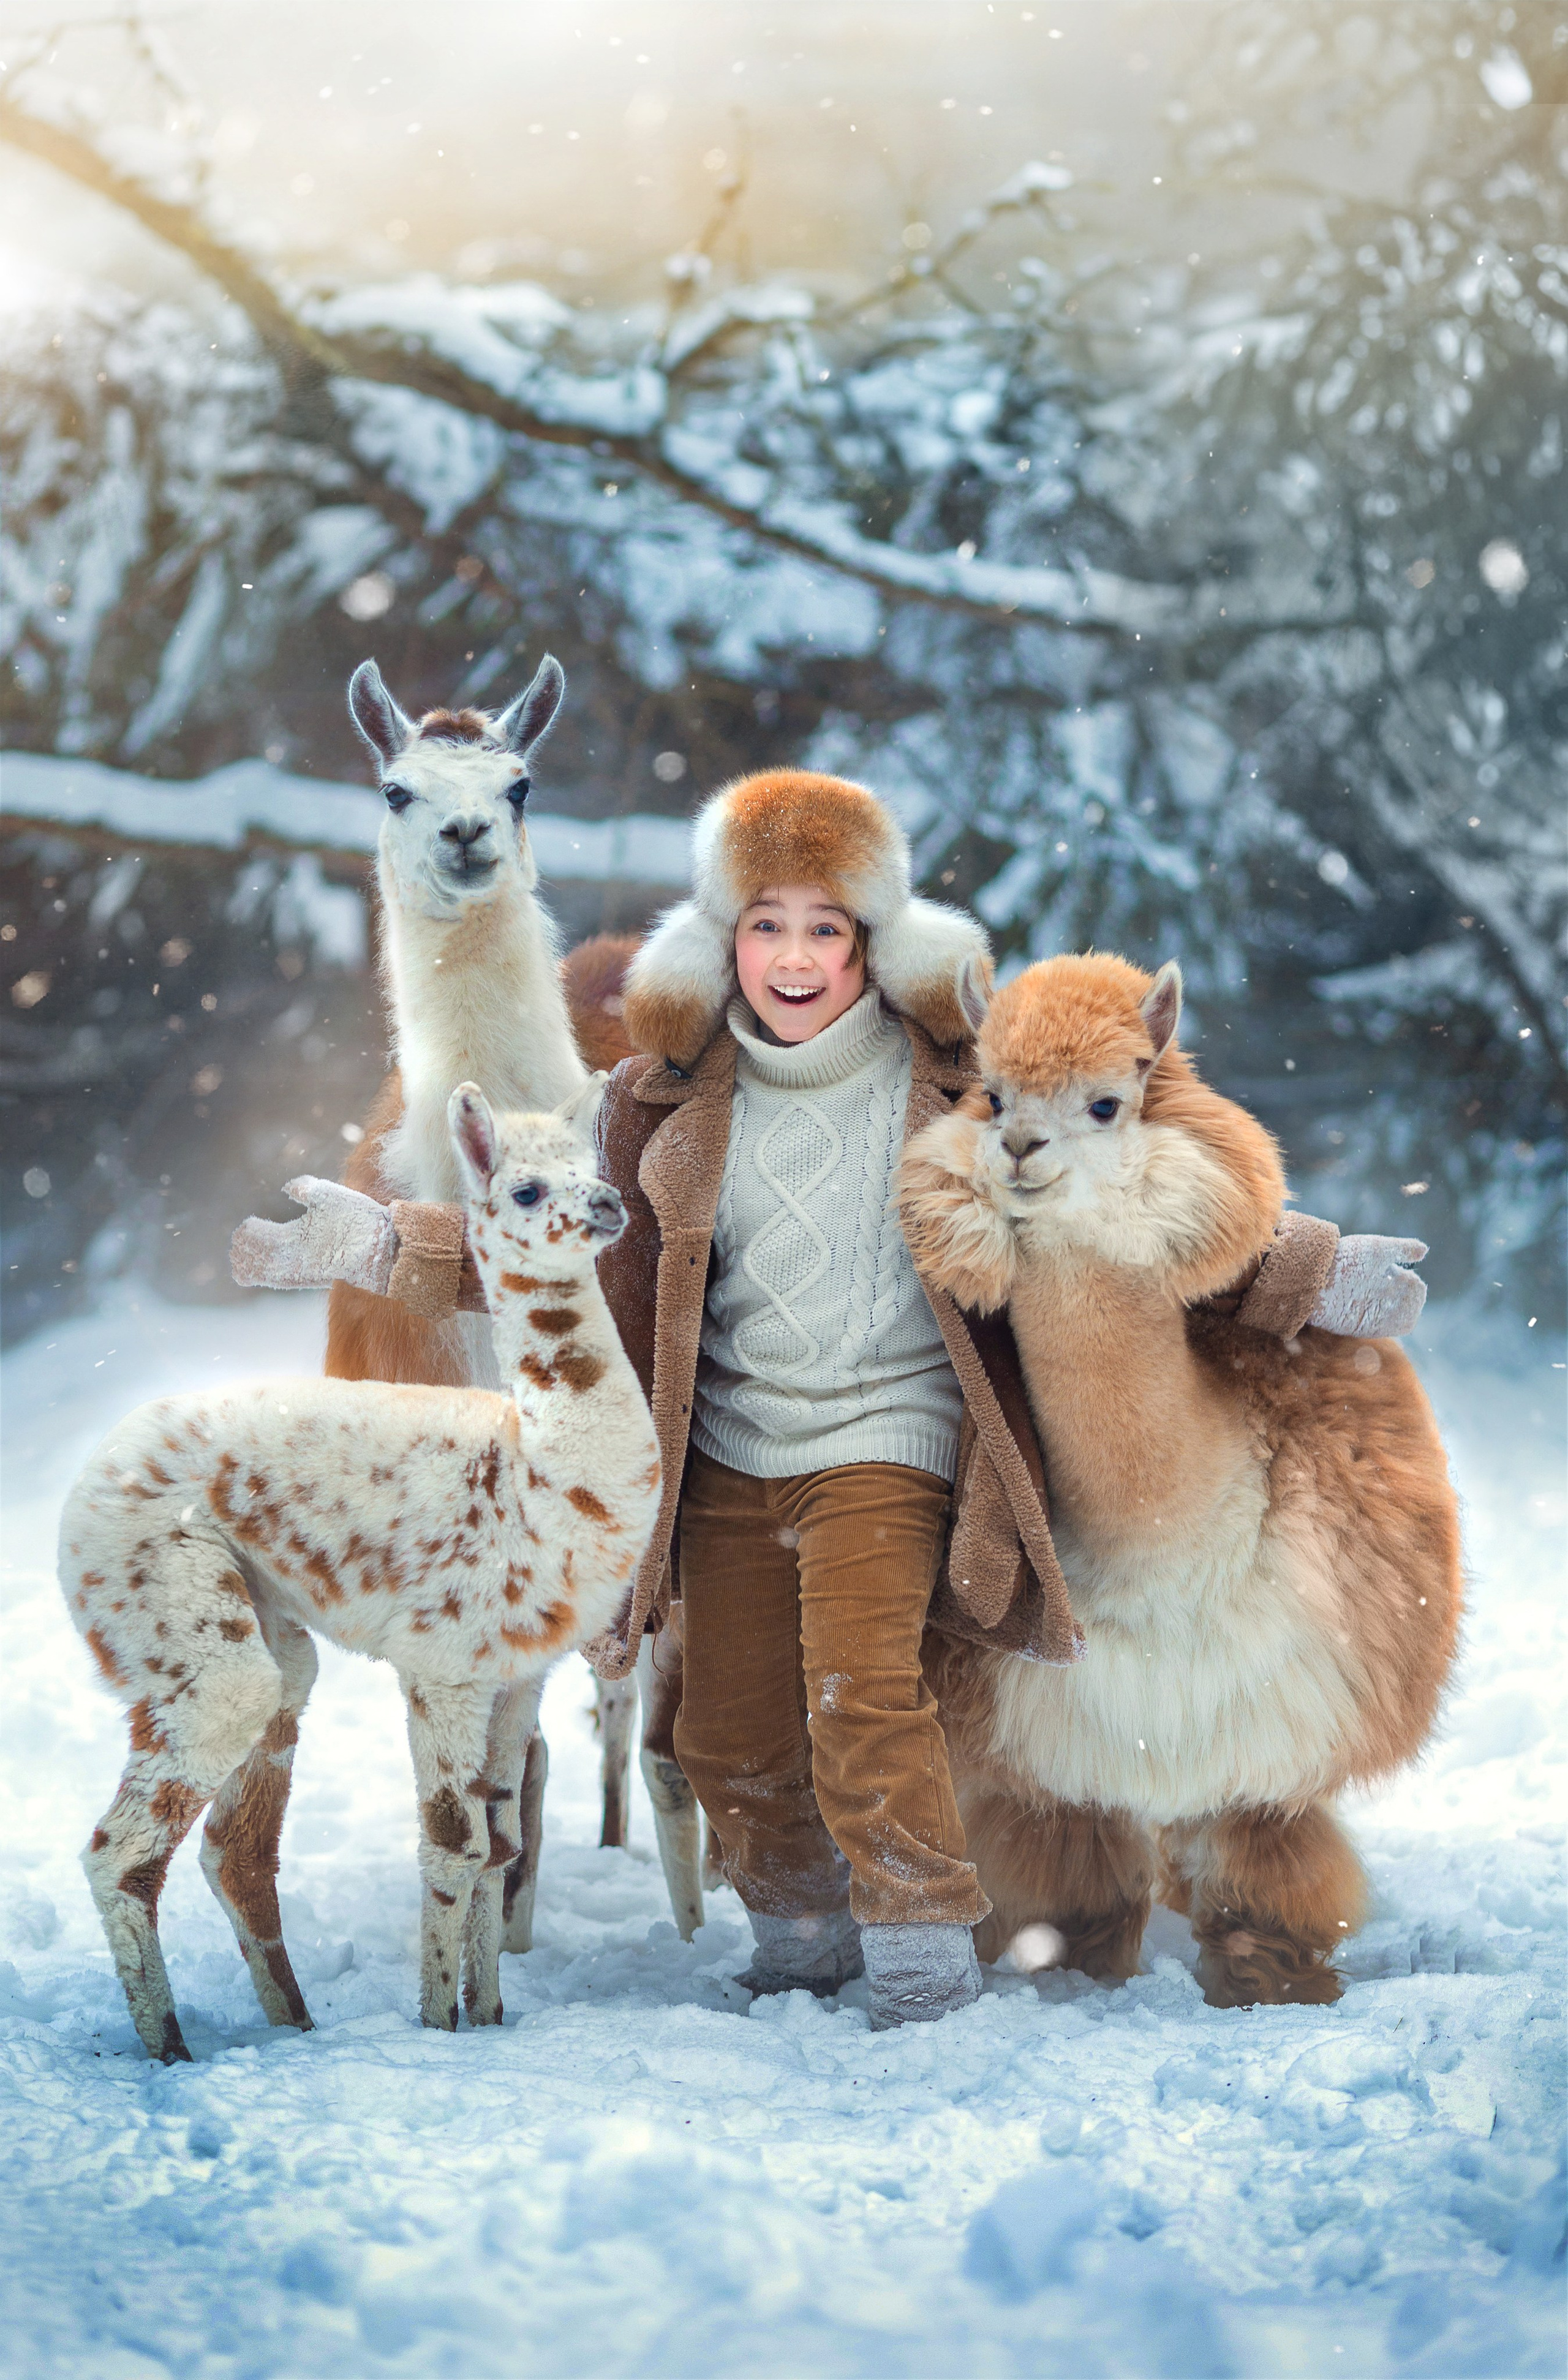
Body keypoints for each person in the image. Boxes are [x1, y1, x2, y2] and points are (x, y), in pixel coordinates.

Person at [232, 769, 1429, 2028]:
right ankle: (800, 1931)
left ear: (869, 942)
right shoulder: (662, 1106)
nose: (793, 956)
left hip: (892, 1439)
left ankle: (917, 1945)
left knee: (866, 1690)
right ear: (723, 941)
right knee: (731, 1733)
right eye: (765, 925)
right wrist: (387, 1248)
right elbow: (563, 1241)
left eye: (826, 927)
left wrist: (1303, 1266)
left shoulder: (952, 1074)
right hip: (735, 1448)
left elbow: (1128, 1182)